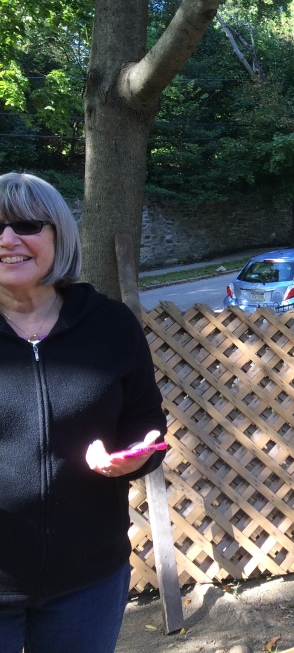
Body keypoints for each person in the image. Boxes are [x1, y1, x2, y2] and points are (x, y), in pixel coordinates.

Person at [0, 172, 167, 653]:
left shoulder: (111, 325)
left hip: (88, 582)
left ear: (59, 235)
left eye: (26, 225)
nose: (7, 239)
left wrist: (136, 456)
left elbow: (146, 422)